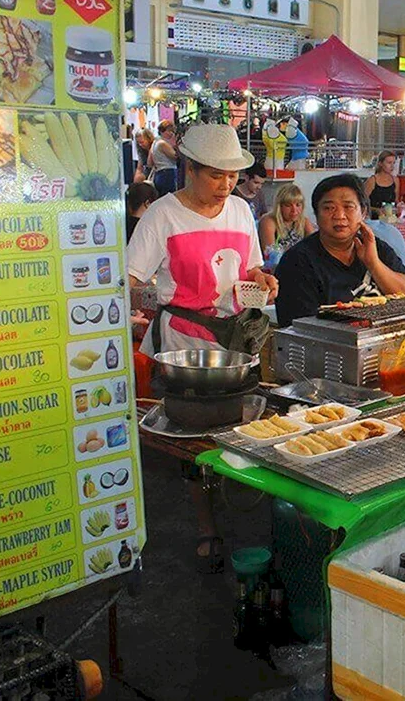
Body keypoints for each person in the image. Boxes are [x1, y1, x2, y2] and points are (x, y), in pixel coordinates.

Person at [127, 124, 279, 574]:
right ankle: (205, 524)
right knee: (193, 435)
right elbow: (131, 280)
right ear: (189, 169)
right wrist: (143, 307)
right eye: (216, 175)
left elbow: (249, 267)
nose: (226, 185)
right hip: (183, 343)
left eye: (232, 176)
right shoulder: (163, 216)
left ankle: (238, 513)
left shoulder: (239, 210)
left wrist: (262, 280)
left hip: (234, 338)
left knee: (235, 425)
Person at [275, 174, 405, 327]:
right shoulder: (297, 262)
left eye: (348, 207)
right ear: (317, 215)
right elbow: (301, 329)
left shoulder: (374, 246)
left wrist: (374, 264)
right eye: (329, 208)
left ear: (363, 213)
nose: (339, 216)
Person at [260, 182, 315, 270]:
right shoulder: (269, 221)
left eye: (298, 205)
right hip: (275, 269)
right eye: (288, 205)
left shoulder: (304, 221)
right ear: (279, 206)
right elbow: (270, 255)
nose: (294, 210)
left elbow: (316, 247)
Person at [364, 150, 400, 216]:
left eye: (393, 163)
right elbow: (362, 203)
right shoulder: (372, 181)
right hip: (373, 220)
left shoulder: (395, 180)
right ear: (380, 163)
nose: (392, 166)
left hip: (390, 219)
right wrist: (376, 210)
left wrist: (400, 207)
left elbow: (396, 201)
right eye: (389, 163)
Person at [149, 120, 179, 196]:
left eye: (172, 131)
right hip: (167, 173)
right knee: (169, 198)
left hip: (160, 173)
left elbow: (149, 162)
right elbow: (176, 156)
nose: (171, 134)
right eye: (169, 131)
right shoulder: (162, 143)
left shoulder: (155, 142)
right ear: (162, 131)